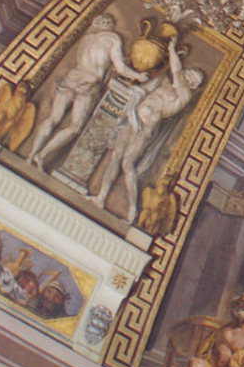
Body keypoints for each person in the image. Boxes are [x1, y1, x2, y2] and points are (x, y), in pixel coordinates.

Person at [88, 37, 204, 217]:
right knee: (115, 156)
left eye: (193, 78)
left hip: (145, 129)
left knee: (128, 164)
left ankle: (133, 209)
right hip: (132, 119)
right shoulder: (165, 84)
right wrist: (132, 108)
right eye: (190, 73)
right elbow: (145, 91)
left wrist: (172, 50)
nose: (188, 77)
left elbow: (176, 70)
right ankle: (101, 197)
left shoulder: (184, 94)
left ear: (194, 85)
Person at [26, 15, 148, 169]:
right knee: (74, 127)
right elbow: (121, 67)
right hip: (88, 84)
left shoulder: (86, 39)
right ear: (109, 25)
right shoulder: (112, 38)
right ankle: (41, 155)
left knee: (53, 118)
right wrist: (138, 76)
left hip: (72, 78)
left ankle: (30, 155)